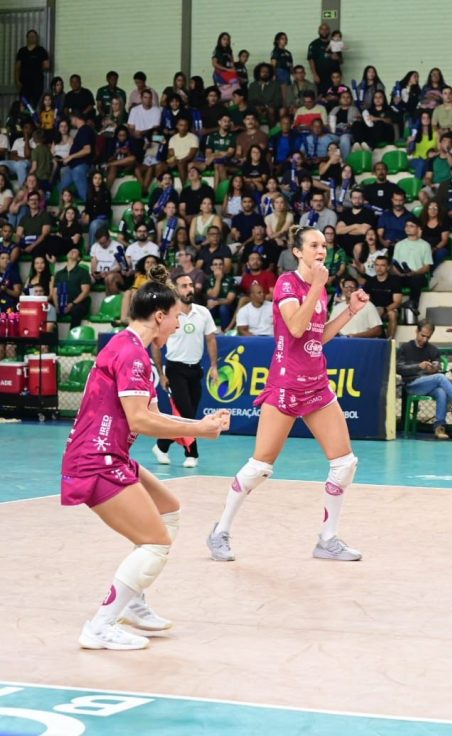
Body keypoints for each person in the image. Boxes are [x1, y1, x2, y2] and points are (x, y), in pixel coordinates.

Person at [61, 263, 228, 650]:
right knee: (155, 541)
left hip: (111, 454)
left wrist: (192, 426)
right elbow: (140, 419)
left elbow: (148, 415)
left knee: (169, 508)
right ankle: (100, 625)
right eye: (175, 317)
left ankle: (133, 599)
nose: (177, 323)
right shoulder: (133, 355)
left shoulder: (131, 348)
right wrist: (200, 429)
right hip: (96, 459)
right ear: (159, 316)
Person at [207, 226, 372, 562]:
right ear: (298, 252)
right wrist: (316, 286)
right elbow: (295, 327)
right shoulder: (288, 284)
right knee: (260, 467)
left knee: (344, 464)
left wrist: (350, 313)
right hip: (286, 384)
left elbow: (316, 337)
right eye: (313, 245)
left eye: (324, 245)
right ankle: (219, 531)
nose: (321, 250)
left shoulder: (319, 289)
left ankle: (327, 539)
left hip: (317, 384)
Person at [150, 272, 218, 468]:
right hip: (175, 370)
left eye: (191, 285)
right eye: (184, 286)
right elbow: (155, 345)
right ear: (175, 289)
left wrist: (214, 367)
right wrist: (161, 375)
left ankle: (162, 446)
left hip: (195, 370)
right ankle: (192, 454)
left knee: (186, 416)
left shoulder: (203, 312)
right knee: (187, 414)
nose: (190, 289)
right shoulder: (168, 313)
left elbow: (211, 339)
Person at [399, 320, 452, 439]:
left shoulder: (433, 349)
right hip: (411, 384)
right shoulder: (405, 347)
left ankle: (439, 427)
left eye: (428, 337)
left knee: (441, 391)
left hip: (429, 382)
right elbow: (399, 368)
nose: (425, 340)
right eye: (422, 336)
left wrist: (434, 368)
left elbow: (438, 367)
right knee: (440, 378)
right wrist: (418, 366)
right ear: (416, 331)